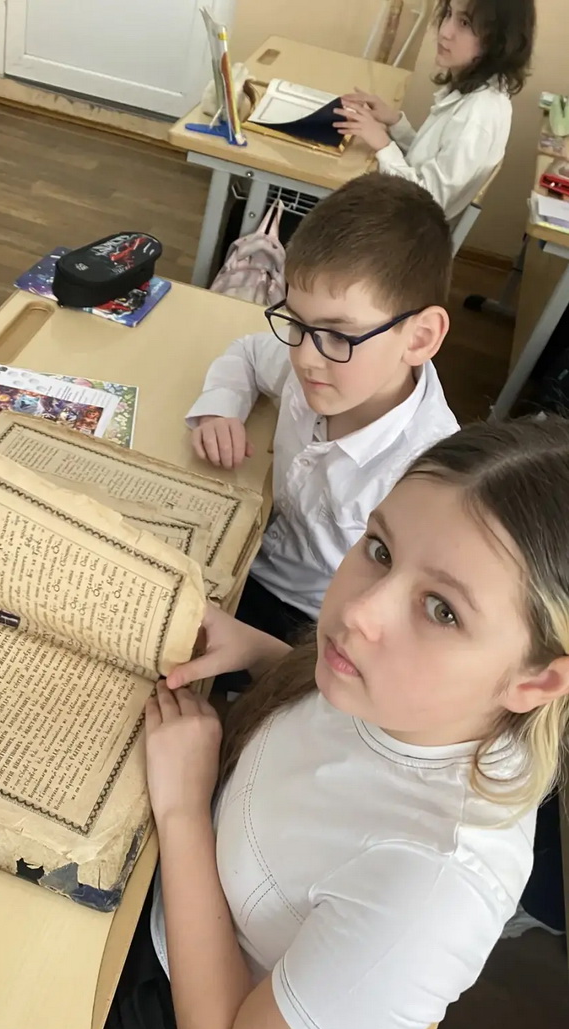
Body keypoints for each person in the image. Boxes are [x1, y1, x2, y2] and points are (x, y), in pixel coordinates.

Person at [79, 418, 569, 1029]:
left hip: (166, 1000)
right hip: (163, 850)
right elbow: (349, 747)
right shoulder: (411, 693)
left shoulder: (431, 893)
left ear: (534, 681)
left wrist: (184, 812)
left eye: (442, 610)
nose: (360, 611)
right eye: (380, 549)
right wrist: (262, 653)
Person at [188, 172, 458, 655]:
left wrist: (267, 655)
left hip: (314, 632)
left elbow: (392, 642)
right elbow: (247, 353)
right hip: (243, 555)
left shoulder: (431, 480)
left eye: (338, 335)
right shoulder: (319, 365)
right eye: (296, 321)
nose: (305, 357)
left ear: (419, 338)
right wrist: (220, 411)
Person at [334, 0, 536, 225]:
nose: (445, 32)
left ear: (499, 40)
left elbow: (424, 204)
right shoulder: (479, 92)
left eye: (464, 23)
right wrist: (395, 123)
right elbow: (431, 162)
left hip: (403, 229)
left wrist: (383, 144)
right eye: (448, 14)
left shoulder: (478, 115)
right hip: (404, 220)